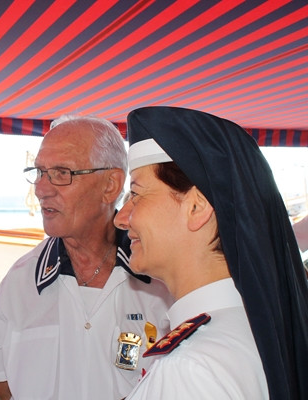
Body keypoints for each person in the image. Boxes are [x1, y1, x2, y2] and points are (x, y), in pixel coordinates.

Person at [0, 115, 173, 400]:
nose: (41, 189)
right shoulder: (20, 281)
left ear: (111, 185)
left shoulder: (163, 280)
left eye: (62, 173)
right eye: (39, 172)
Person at [114, 106, 308, 399]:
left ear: (197, 207)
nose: (120, 218)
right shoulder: (251, 333)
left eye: (137, 194)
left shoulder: (192, 368)